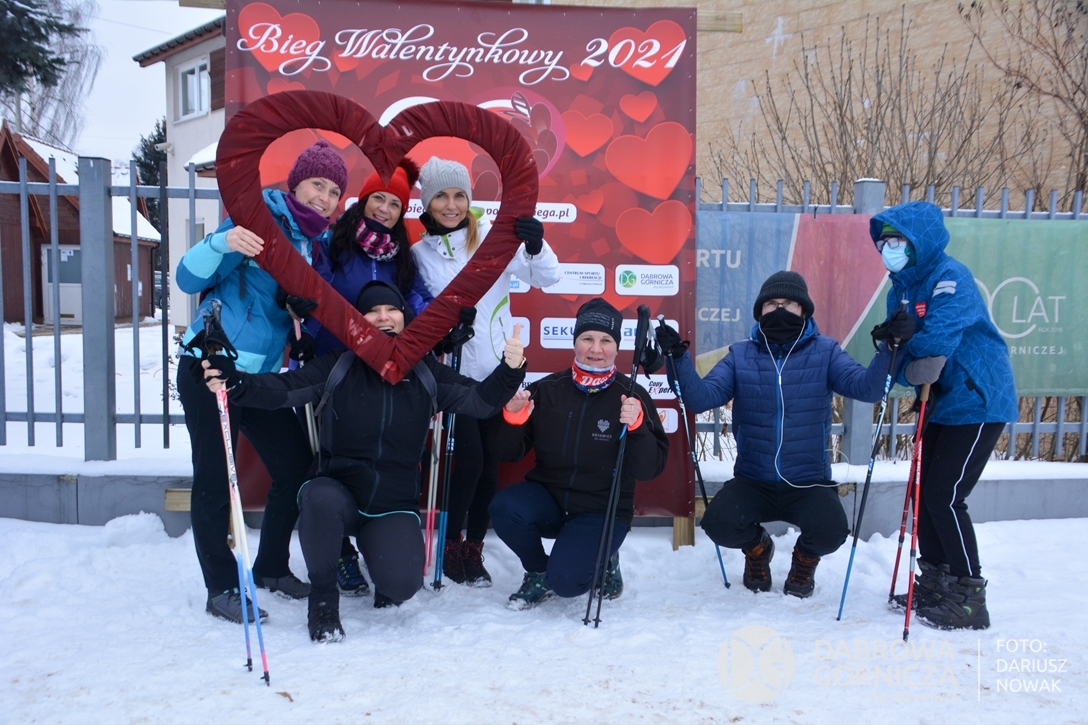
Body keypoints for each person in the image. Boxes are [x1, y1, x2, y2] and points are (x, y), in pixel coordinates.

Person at [202, 280, 527, 642]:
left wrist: (511, 370)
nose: (383, 317)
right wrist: (236, 383)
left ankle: (379, 556)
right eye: (372, 311)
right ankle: (324, 600)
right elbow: (283, 389)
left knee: (402, 586)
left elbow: (480, 401)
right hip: (338, 493)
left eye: (391, 310)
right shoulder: (338, 366)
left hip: (392, 503)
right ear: (358, 322)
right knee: (318, 497)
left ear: (405, 318)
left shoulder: (426, 372)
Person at [175, 139, 347, 623]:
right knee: (215, 477)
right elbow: (187, 280)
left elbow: (281, 308)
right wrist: (222, 242)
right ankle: (221, 587)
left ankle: (271, 566)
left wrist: (297, 317)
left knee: (296, 468)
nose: (325, 198)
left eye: (334, 191)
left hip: (259, 379)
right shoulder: (257, 219)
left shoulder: (315, 243)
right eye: (317, 185)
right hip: (211, 367)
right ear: (296, 183)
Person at [655, 271, 908, 598]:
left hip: (808, 481)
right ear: (760, 311)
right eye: (771, 304)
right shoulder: (741, 355)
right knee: (718, 524)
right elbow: (701, 398)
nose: (779, 310)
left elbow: (868, 388)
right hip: (753, 480)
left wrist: (890, 348)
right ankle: (758, 549)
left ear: (804, 310)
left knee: (832, 530)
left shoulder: (826, 352)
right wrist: (677, 358)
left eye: (788, 304)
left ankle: (804, 560)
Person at [411, 156, 561, 587]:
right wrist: (443, 336)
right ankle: (451, 543)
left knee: (489, 464)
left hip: (497, 372)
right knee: (470, 464)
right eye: (441, 196)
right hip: (454, 377)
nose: (451, 205)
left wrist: (536, 245)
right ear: (427, 202)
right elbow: (414, 308)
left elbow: (547, 277)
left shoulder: (491, 240)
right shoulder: (418, 255)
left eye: (459, 195)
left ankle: (472, 548)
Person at [870, 201, 1017, 631]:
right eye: (885, 242)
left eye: (898, 241)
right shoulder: (900, 288)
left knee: (946, 496)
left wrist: (906, 344)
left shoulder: (951, 277)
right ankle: (937, 580)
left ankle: (969, 595)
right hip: (939, 402)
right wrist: (893, 346)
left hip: (976, 399)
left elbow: (938, 339)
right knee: (926, 494)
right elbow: (900, 361)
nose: (890, 249)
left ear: (921, 241)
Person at [489, 298, 669, 609]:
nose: (596, 349)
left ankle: (605, 557)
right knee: (505, 507)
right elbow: (507, 452)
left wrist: (638, 427)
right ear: (575, 342)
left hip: (601, 510)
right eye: (587, 338)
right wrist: (512, 419)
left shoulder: (632, 396)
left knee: (568, 582)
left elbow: (648, 469)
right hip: (550, 499)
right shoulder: (548, 389)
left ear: (616, 347)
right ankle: (539, 572)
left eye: (606, 341)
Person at [306, 159, 433, 597]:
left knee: (380, 450)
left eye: (395, 203)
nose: (385, 209)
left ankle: (382, 545)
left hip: (387, 372)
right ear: (363, 201)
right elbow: (317, 291)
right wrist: (308, 332)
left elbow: (417, 299)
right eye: (378, 198)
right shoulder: (336, 245)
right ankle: (339, 551)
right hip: (336, 367)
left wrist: (438, 327)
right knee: (329, 455)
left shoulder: (401, 256)